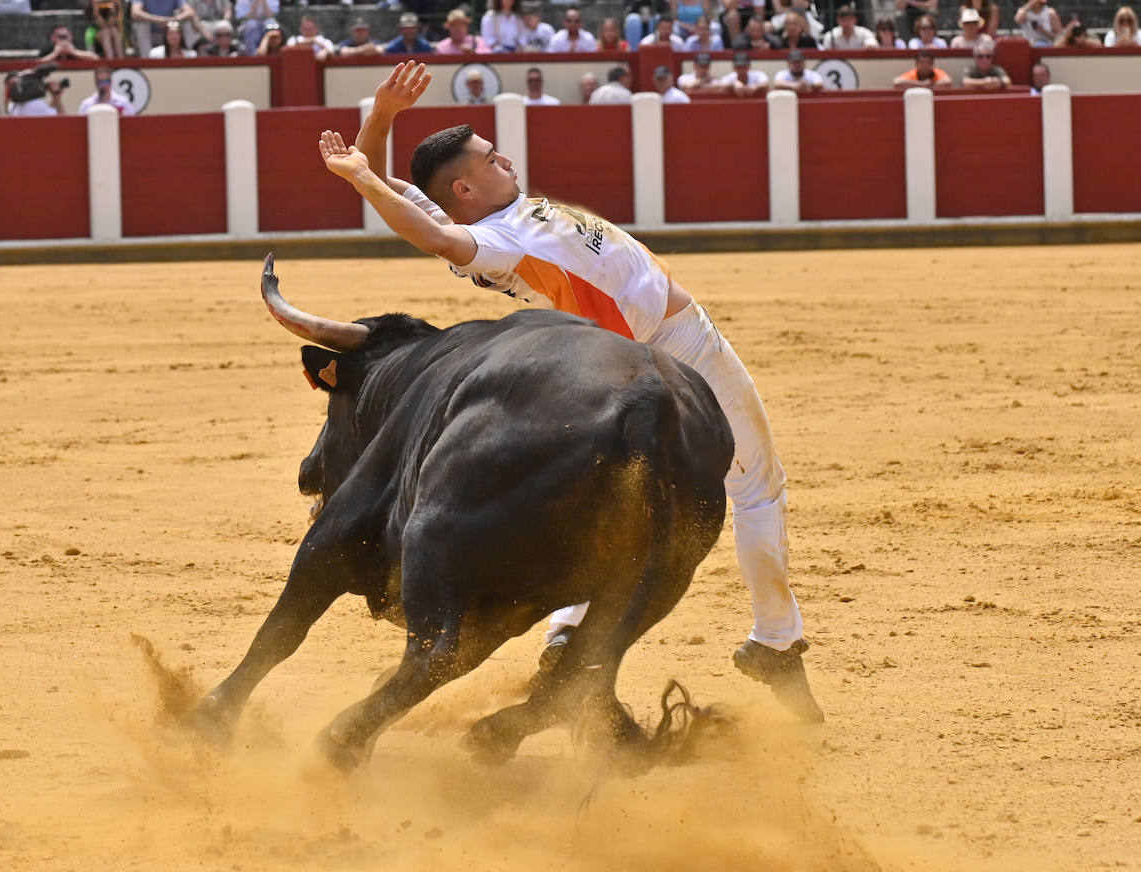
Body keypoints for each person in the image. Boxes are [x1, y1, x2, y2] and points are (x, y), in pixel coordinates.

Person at [329, 61, 824, 723]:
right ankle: (774, 638)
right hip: (677, 346)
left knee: (600, 503)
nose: (504, 157)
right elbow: (425, 226)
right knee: (758, 486)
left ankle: (566, 633)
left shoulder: (490, 220)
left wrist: (382, 120)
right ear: (466, 187)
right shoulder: (493, 240)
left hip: (626, 358)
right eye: (489, 158)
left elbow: (399, 191)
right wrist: (363, 172)